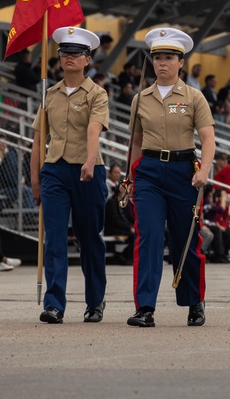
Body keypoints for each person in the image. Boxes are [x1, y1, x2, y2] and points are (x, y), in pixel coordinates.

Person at [126, 27, 215, 327]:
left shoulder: (194, 97)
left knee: (185, 240)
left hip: (182, 172)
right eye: (158, 58)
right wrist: (130, 174)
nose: (162, 63)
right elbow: (136, 141)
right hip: (149, 171)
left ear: (181, 62)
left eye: (169, 58)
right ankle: (145, 307)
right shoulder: (141, 98)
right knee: (148, 237)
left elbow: (208, 137)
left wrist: (204, 171)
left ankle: (194, 301)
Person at [30, 27, 109, 324]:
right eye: (64, 53)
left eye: (76, 53)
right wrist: (36, 180)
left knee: (89, 239)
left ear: (87, 59)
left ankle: (95, 301)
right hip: (55, 171)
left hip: (88, 170)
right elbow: (39, 139)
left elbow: (94, 129)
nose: (69, 58)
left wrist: (89, 160)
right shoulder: (49, 94)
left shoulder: (97, 94)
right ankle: (54, 304)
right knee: (54, 241)